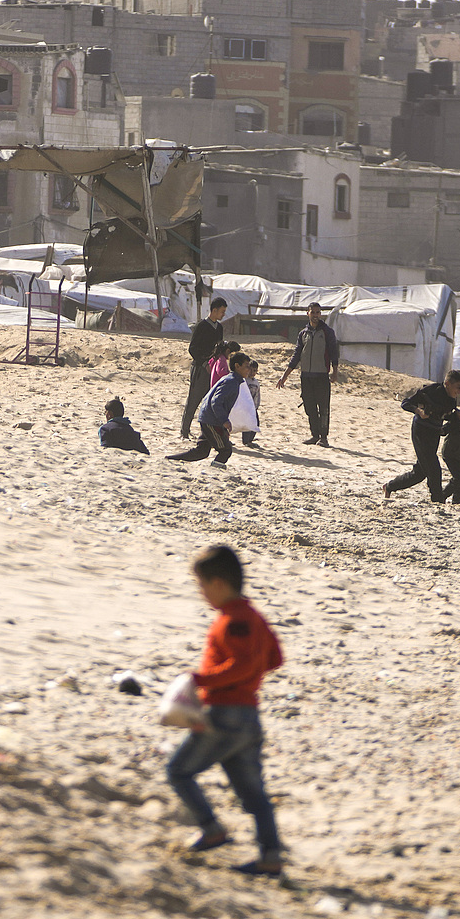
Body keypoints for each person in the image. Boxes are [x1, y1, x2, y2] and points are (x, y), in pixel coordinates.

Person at [169, 543, 286, 877]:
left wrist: (201, 678)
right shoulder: (255, 618)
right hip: (249, 718)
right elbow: (274, 659)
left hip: (226, 714)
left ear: (218, 584)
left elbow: (243, 665)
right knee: (254, 795)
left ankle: (211, 828)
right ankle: (270, 856)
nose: (202, 593)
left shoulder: (233, 621)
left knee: (178, 771)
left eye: (202, 586)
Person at [383, 369, 460, 501]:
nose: (459, 392)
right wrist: (418, 411)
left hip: (434, 433)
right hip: (420, 431)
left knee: (419, 473)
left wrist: (457, 416)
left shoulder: (451, 400)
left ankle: (390, 486)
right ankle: (437, 499)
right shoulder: (431, 391)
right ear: (448, 383)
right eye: (458, 388)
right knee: (433, 467)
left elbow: (447, 416)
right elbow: (406, 403)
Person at [277, 302, 341, 445]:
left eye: (318, 313)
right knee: (310, 407)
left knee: (323, 408)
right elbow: (296, 355)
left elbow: (333, 353)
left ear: (320, 314)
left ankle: (324, 438)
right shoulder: (303, 334)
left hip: (322, 376)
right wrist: (284, 376)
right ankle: (315, 435)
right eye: (313, 312)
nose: (315, 315)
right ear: (308, 313)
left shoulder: (327, 332)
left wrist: (335, 372)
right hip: (306, 376)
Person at [170, 353, 248, 467]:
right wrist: (224, 421)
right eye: (246, 366)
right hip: (211, 420)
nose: (249, 369)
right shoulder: (231, 382)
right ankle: (216, 470)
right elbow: (216, 402)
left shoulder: (233, 380)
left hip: (208, 417)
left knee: (202, 451)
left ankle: (172, 460)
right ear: (237, 366)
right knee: (225, 450)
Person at [182, 298, 229, 438]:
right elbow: (193, 349)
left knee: (212, 402)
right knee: (193, 401)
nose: (223, 315)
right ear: (214, 310)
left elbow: (219, 348)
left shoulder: (219, 328)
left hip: (214, 370)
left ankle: (211, 432)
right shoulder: (201, 326)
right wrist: (204, 363)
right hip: (200, 369)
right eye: (222, 311)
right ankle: (184, 431)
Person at [239, 357, 263, 448]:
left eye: (255, 371)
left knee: (255, 423)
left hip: (253, 406)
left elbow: (257, 394)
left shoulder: (256, 382)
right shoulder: (244, 381)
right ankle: (246, 441)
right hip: (245, 406)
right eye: (252, 370)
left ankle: (250, 440)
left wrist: (256, 405)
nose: (253, 373)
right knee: (247, 424)